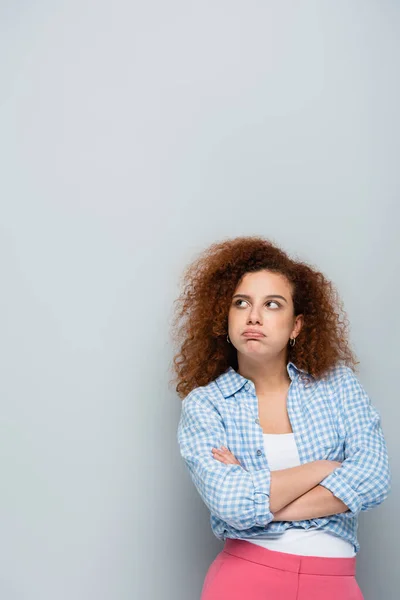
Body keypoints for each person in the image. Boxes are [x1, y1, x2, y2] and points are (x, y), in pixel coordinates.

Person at [171, 236, 391, 600]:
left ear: (296, 326)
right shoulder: (206, 404)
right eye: (241, 303)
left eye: (272, 304)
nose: (253, 316)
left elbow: (373, 478)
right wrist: (325, 467)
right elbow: (231, 505)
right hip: (244, 580)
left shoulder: (337, 385)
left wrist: (259, 502)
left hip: (333, 582)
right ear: (224, 318)